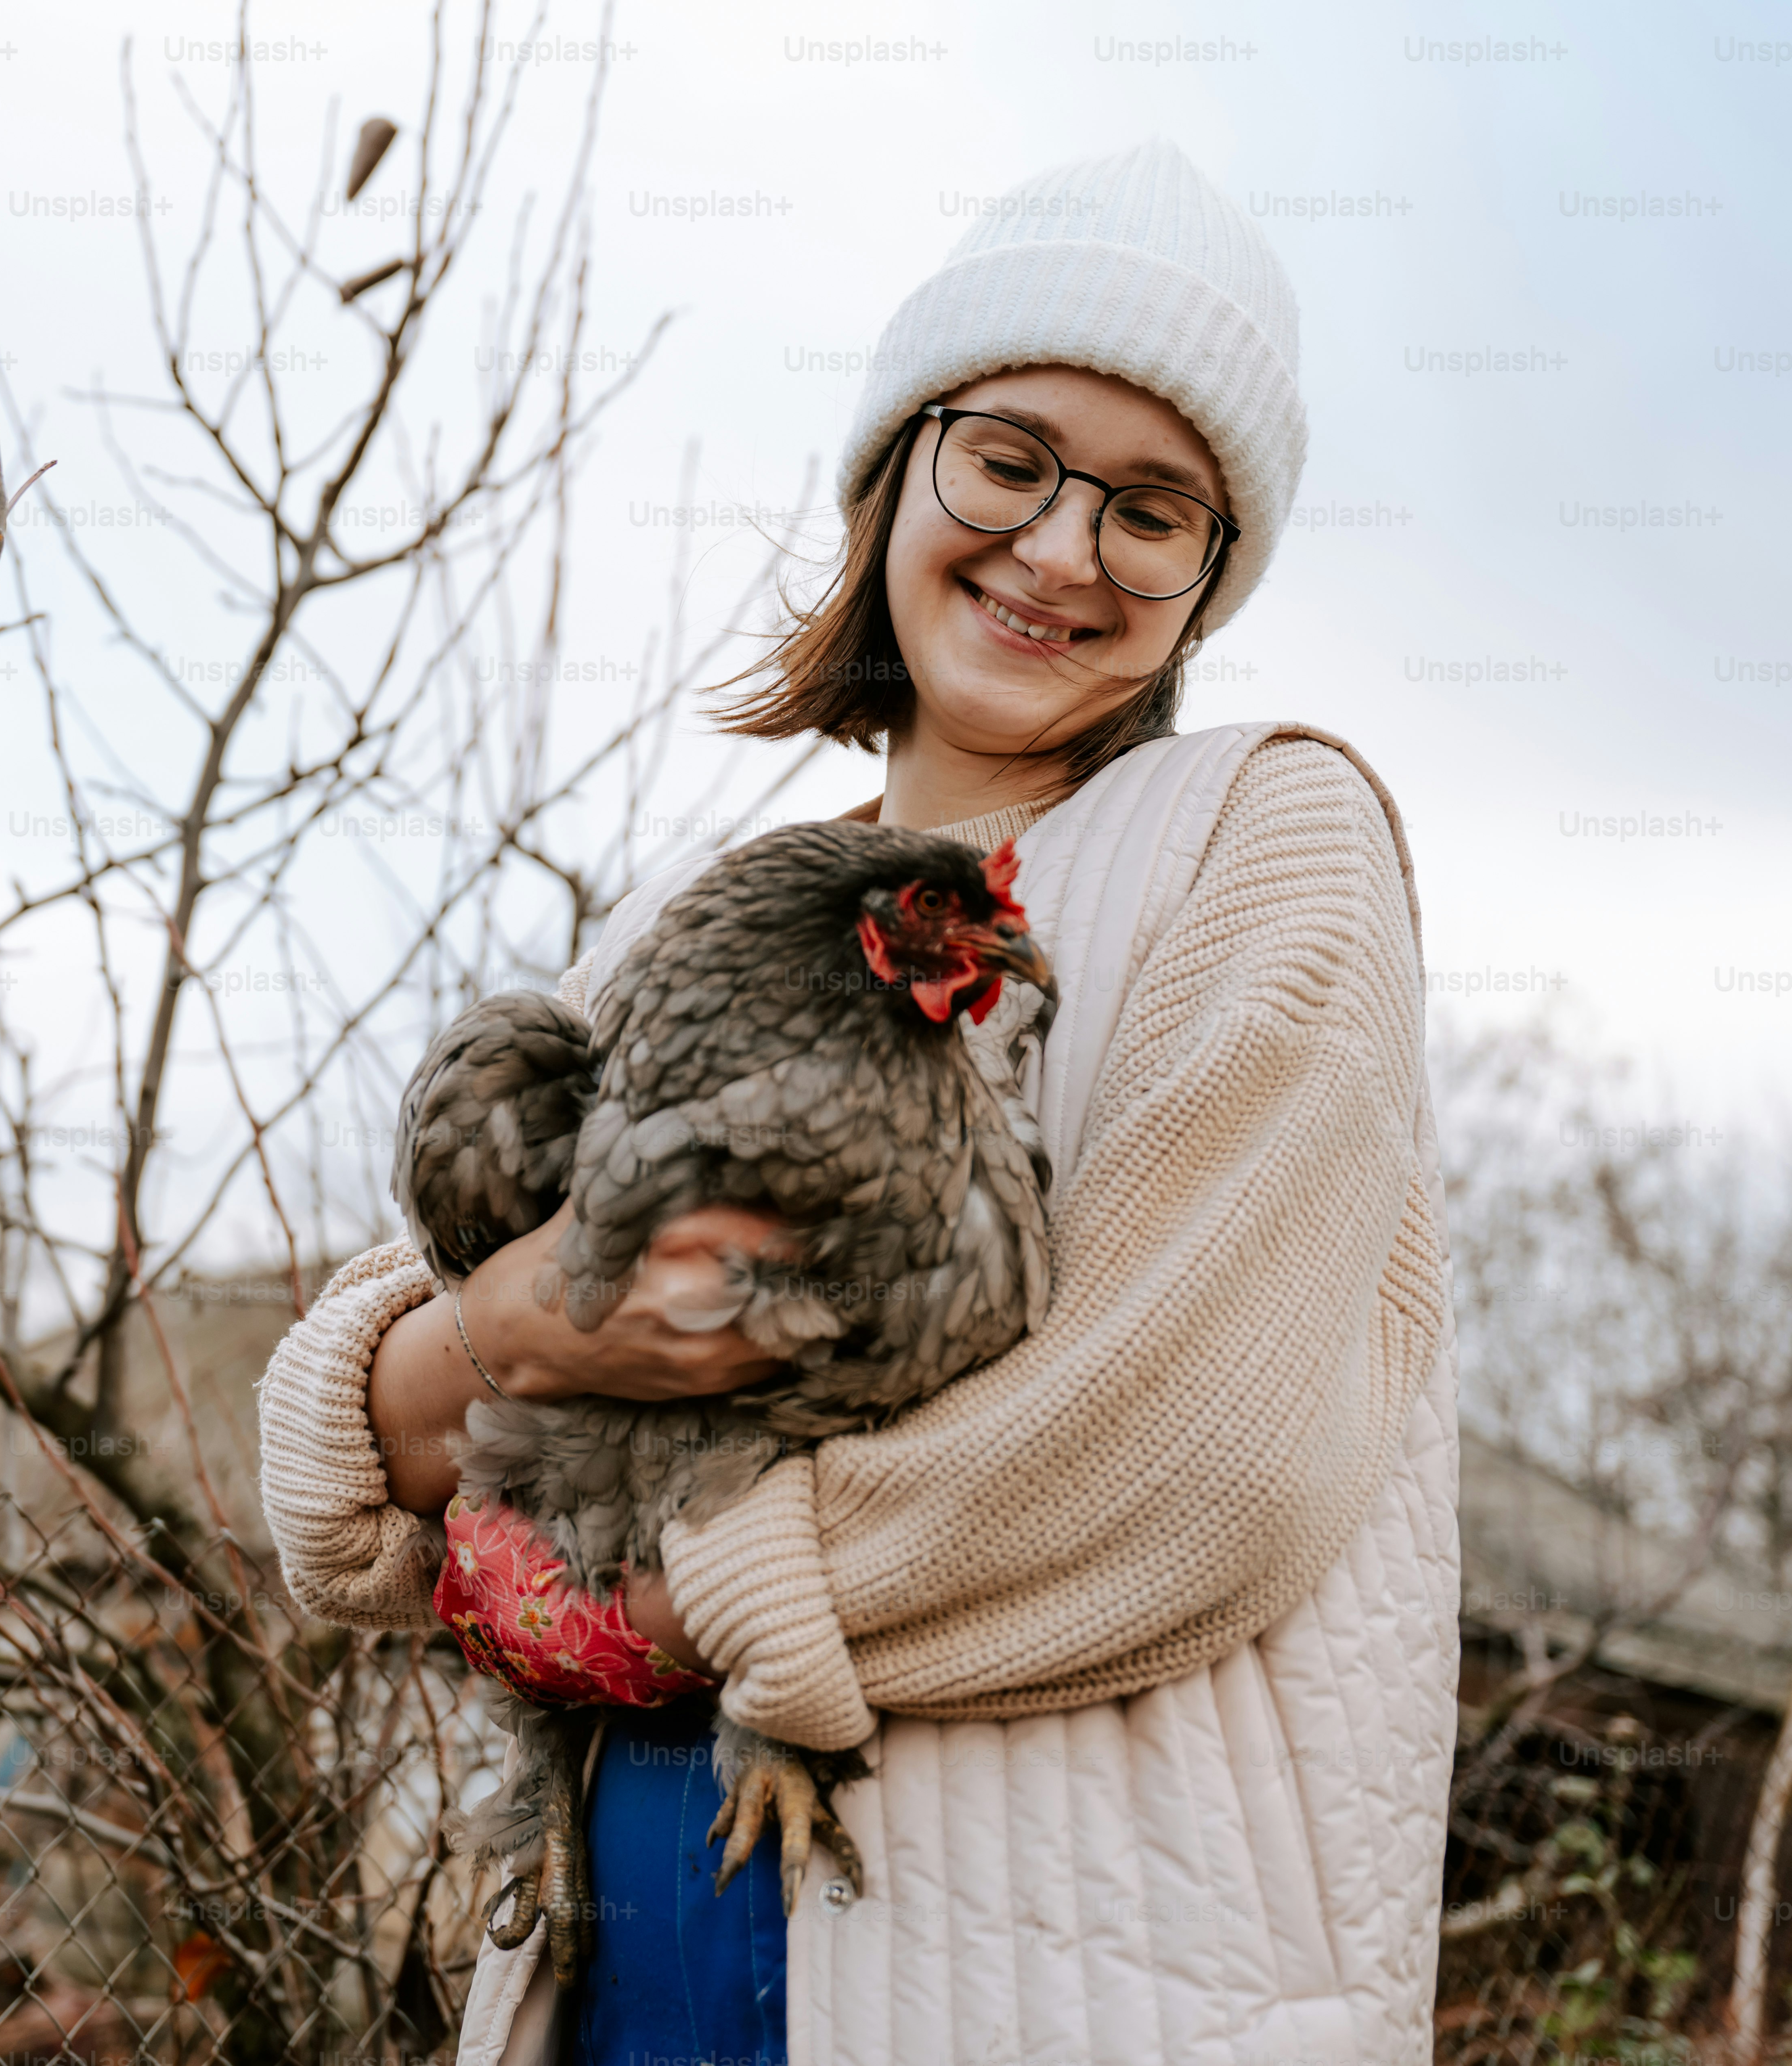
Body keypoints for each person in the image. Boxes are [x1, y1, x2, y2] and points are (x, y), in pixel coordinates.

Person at [258, 137, 1457, 2066]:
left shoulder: (1258, 835)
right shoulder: (684, 906)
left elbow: (1187, 1457)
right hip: (619, 1910)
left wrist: (631, 1585)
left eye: (1154, 513)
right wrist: (499, 1328)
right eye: (1009, 459)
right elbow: (369, 1413)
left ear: (1210, 581)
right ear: (897, 463)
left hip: (1070, 1958)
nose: (1061, 549)